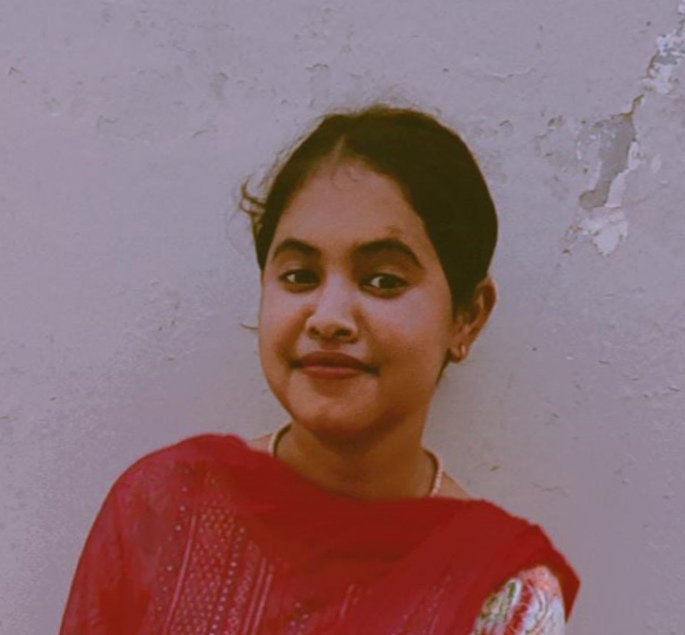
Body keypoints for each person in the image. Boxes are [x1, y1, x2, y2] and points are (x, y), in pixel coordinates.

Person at [59, 105, 580, 635]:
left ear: (467, 317)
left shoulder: (501, 597)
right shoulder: (164, 510)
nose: (328, 318)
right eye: (300, 276)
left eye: (383, 281)